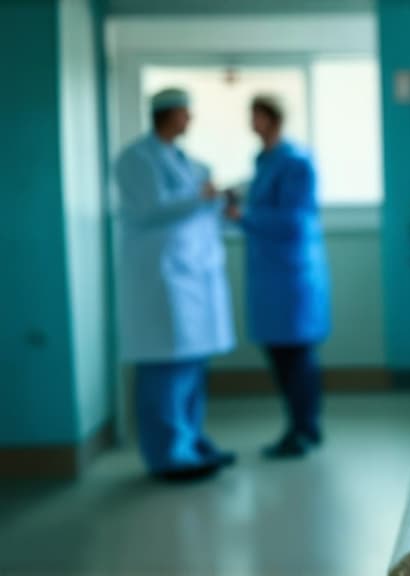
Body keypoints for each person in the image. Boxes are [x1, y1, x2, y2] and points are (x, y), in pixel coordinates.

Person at [114, 88, 236, 481]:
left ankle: (193, 443)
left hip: (192, 274)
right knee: (165, 367)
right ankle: (168, 456)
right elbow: (149, 208)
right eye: (185, 113)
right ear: (168, 115)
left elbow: (201, 210)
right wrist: (201, 196)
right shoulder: (135, 159)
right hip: (160, 277)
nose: (190, 121)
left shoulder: (189, 162)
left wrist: (218, 201)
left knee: (192, 364)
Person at [226, 94, 331, 458]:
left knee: (296, 355)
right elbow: (263, 195)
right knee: (281, 353)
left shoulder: (296, 161)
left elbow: (293, 221)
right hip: (270, 273)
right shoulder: (265, 160)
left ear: (272, 118)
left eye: (255, 115)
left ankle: (303, 430)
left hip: (291, 273)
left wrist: (244, 216)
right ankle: (302, 426)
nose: (251, 122)